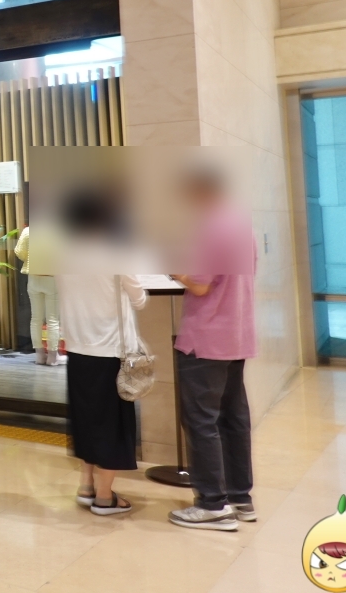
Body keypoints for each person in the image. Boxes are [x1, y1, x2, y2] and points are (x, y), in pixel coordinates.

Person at [168, 168, 257, 532]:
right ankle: (240, 497)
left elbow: (200, 284)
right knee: (233, 418)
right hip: (236, 334)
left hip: (205, 338)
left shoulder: (210, 226)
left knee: (201, 420)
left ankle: (211, 505)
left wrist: (175, 270)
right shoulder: (240, 222)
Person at [55, 188, 149, 516]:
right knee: (112, 424)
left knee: (86, 420)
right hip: (109, 350)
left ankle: (86, 486)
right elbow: (139, 298)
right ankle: (105, 497)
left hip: (78, 348)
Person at [15, 224, 61, 365]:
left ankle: (39, 355)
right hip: (52, 278)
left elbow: (19, 252)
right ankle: (53, 357)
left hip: (33, 277)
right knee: (52, 319)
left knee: (36, 318)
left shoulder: (28, 231)